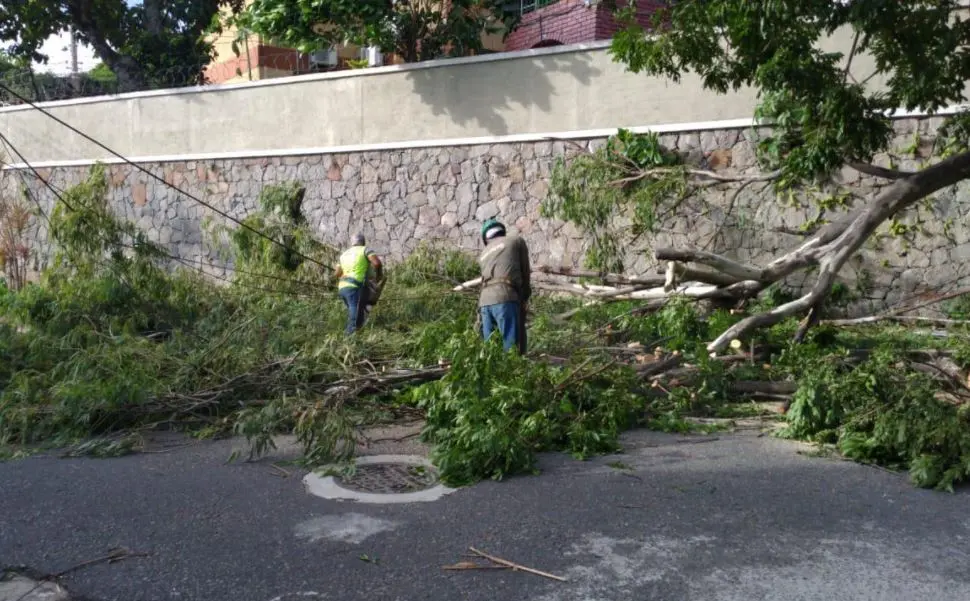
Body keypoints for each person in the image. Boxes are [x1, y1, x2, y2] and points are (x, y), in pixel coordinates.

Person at [478, 218, 531, 354]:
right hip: (505, 297)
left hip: (484, 302)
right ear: (502, 231)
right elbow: (525, 272)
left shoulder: (483, 254)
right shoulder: (516, 241)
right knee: (511, 348)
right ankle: (514, 373)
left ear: (486, 238)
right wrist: (525, 297)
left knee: (491, 352)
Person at [334, 232, 383, 335]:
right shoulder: (365, 250)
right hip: (354, 287)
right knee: (355, 317)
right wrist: (379, 276)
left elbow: (337, 273)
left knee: (358, 311)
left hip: (343, 288)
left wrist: (345, 275)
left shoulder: (343, 255)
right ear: (363, 242)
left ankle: (358, 333)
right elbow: (377, 263)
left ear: (352, 243)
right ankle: (349, 337)